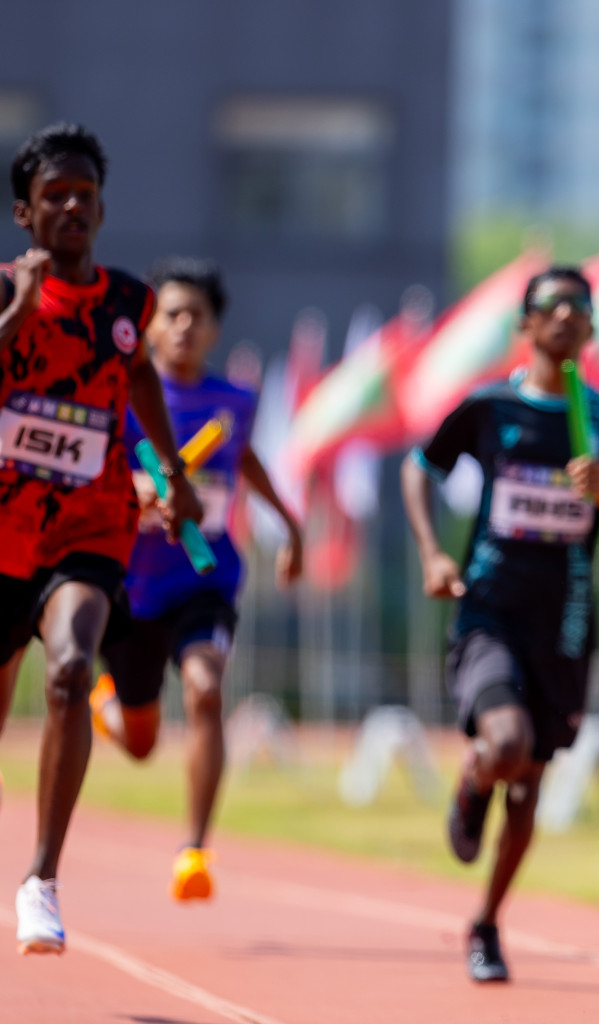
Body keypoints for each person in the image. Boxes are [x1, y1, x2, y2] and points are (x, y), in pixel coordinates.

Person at [402, 266, 599, 984]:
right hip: (490, 607)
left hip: (564, 620)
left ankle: (486, 924)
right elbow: (421, 467)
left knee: (531, 786)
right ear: (527, 326)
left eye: (581, 307)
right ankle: (475, 776)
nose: (568, 316)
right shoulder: (490, 407)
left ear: (592, 330)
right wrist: (431, 552)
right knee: (506, 743)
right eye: (553, 306)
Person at [1, 123, 201, 954]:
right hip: (4, 532)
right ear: (26, 213)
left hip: (92, 526)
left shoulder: (128, 304)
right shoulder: (3, 292)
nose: (72, 206)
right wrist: (17, 307)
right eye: (55, 196)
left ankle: (42, 879)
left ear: (103, 207)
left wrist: (172, 471)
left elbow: (142, 376)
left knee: (73, 667)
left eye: (84, 194)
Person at [88, 256, 304, 901]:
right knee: (141, 742)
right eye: (171, 315)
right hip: (131, 585)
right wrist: (136, 491)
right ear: (150, 328)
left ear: (214, 330)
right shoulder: (124, 394)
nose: (183, 326)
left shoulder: (233, 402)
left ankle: (195, 850)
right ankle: (109, 705)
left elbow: (248, 461)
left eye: (197, 317)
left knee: (207, 691)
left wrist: (290, 525)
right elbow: (93, 466)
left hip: (204, 580)